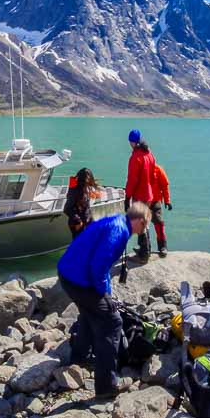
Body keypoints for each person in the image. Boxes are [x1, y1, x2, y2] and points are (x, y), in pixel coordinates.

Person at [57, 202, 152, 399]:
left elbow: (103, 265)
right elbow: (99, 265)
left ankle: (78, 358)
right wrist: (104, 295)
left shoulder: (117, 222)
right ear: (140, 221)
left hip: (69, 274)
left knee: (90, 311)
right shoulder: (119, 230)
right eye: (145, 227)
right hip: (78, 279)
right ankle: (106, 386)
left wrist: (106, 294)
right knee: (112, 322)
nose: (143, 232)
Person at [124, 129, 157, 263]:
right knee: (144, 221)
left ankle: (143, 255)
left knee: (140, 223)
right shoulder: (149, 154)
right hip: (148, 194)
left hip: (139, 194)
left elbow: (132, 180)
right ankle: (146, 249)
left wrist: (127, 197)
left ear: (132, 142)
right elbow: (153, 176)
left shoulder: (135, 157)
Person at [63, 167, 99, 238]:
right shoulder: (74, 190)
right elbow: (67, 209)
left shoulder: (87, 188)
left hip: (88, 220)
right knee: (80, 246)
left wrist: (91, 221)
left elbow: (86, 207)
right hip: (78, 224)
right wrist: (78, 221)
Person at [150, 163, 172, 257]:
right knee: (141, 225)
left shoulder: (158, 169)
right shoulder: (139, 168)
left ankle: (163, 246)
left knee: (158, 222)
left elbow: (165, 185)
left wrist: (167, 200)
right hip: (142, 200)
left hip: (155, 200)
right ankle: (144, 248)